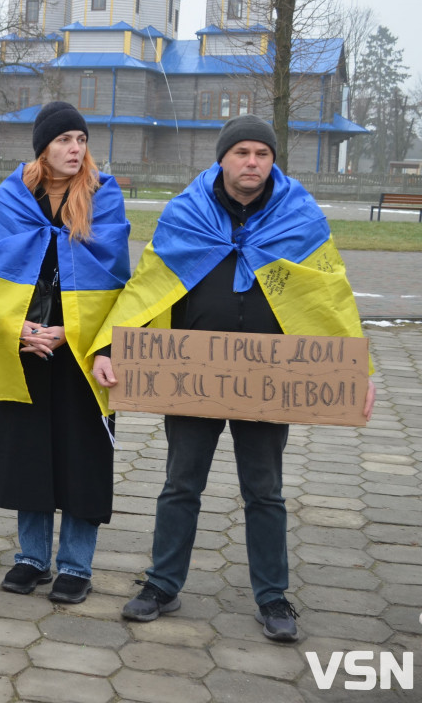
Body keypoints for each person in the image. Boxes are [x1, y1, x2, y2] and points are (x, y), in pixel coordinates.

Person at [91, 114, 375, 642]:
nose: (252, 163)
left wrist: (362, 370)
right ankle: (162, 584)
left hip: (271, 379)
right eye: (241, 152)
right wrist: (109, 344)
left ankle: (272, 596)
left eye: (262, 154)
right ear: (221, 158)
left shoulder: (300, 216)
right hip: (190, 375)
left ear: (272, 160)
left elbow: (331, 297)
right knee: (180, 484)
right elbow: (148, 285)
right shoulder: (186, 213)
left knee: (264, 490)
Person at [0, 101, 131, 605]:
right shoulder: (9, 199)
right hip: (26, 346)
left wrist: (71, 331)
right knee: (30, 453)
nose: (75, 149)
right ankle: (31, 557)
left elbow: (115, 280)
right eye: (65, 140)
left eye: (81, 140)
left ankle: (76, 564)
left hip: (82, 351)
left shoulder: (103, 199)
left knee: (82, 455)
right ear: (43, 147)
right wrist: (15, 326)